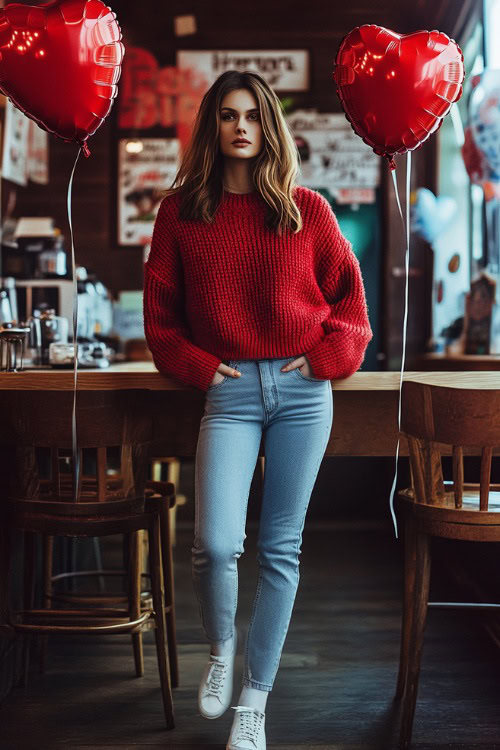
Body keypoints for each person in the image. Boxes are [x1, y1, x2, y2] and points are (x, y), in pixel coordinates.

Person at [143, 69, 373, 750]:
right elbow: (161, 323)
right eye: (226, 115)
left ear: (268, 127)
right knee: (215, 543)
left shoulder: (307, 209)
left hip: (303, 394)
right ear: (211, 127)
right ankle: (220, 650)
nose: (240, 126)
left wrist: (326, 359)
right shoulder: (180, 214)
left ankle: (255, 698)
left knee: (280, 550)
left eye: (252, 115)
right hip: (231, 393)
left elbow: (352, 309)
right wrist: (199, 366)